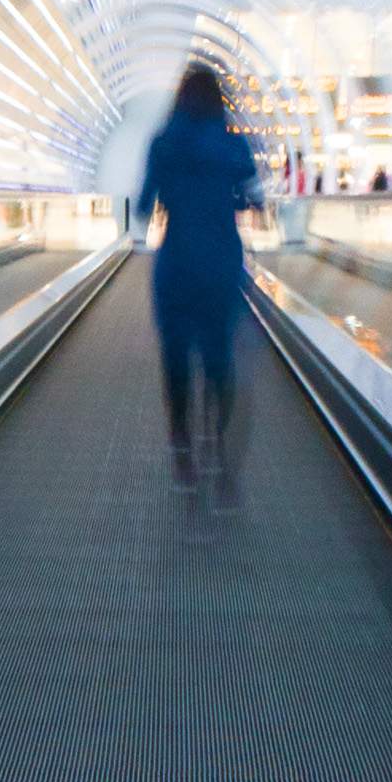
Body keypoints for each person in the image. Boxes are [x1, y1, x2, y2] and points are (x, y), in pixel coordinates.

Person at [133, 59, 263, 497]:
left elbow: (143, 205)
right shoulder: (235, 146)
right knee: (219, 358)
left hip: (176, 263)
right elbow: (250, 200)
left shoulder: (162, 144)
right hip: (221, 263)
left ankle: (183, 451)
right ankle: (219, 450)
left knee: (175, 359)